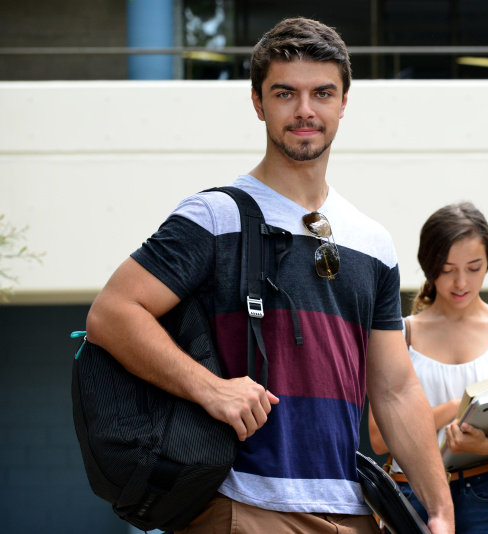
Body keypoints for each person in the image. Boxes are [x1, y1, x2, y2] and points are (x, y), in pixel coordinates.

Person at [85, 17, 454, 534]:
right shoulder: (214, 218)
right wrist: (209, 387)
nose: (305, 111)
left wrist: (439, 510)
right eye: (286, 94)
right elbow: (112, 313)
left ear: (344, 103)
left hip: (353, 508)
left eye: (322, 93)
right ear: (258, 103)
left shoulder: (373, 243)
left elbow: (394, 389)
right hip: (243, 505)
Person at [367, 202, 488, 533]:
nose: (461, 282)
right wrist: (457, 409)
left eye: (474, 268)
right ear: (429, 267)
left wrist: (486, 446)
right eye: (447, 269)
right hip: (412, 492)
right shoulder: (400, 335)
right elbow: (377, 438)